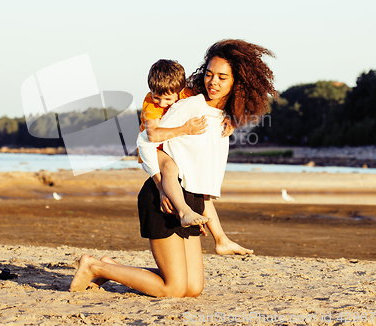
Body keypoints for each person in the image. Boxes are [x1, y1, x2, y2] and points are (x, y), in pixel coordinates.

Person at [70, 39, 277, 297]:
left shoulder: (222, 118)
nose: (213, 82)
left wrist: (218, 233)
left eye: (222, 77)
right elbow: (145, 139)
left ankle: (110, 267)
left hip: (191, 201)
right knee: (174, 288)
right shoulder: (189, 105)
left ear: (238, 83)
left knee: (193, 289)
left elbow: (202, 176)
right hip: (164, 196)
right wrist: (160, 185)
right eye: (210, 74)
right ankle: (93, 267)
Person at [138, 59, 251, 255]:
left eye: (167, 99)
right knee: (170, 170)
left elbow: (208, 109)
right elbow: (152, 135)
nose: (162, 104)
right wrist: (185, 129)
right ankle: (184, 211)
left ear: (180, 89)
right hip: (155, 150)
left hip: (171, 150)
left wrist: (229, 119)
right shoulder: (151, 103)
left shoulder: (189, 96)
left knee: (203, 193)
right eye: (158, 98)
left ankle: (221, 239)